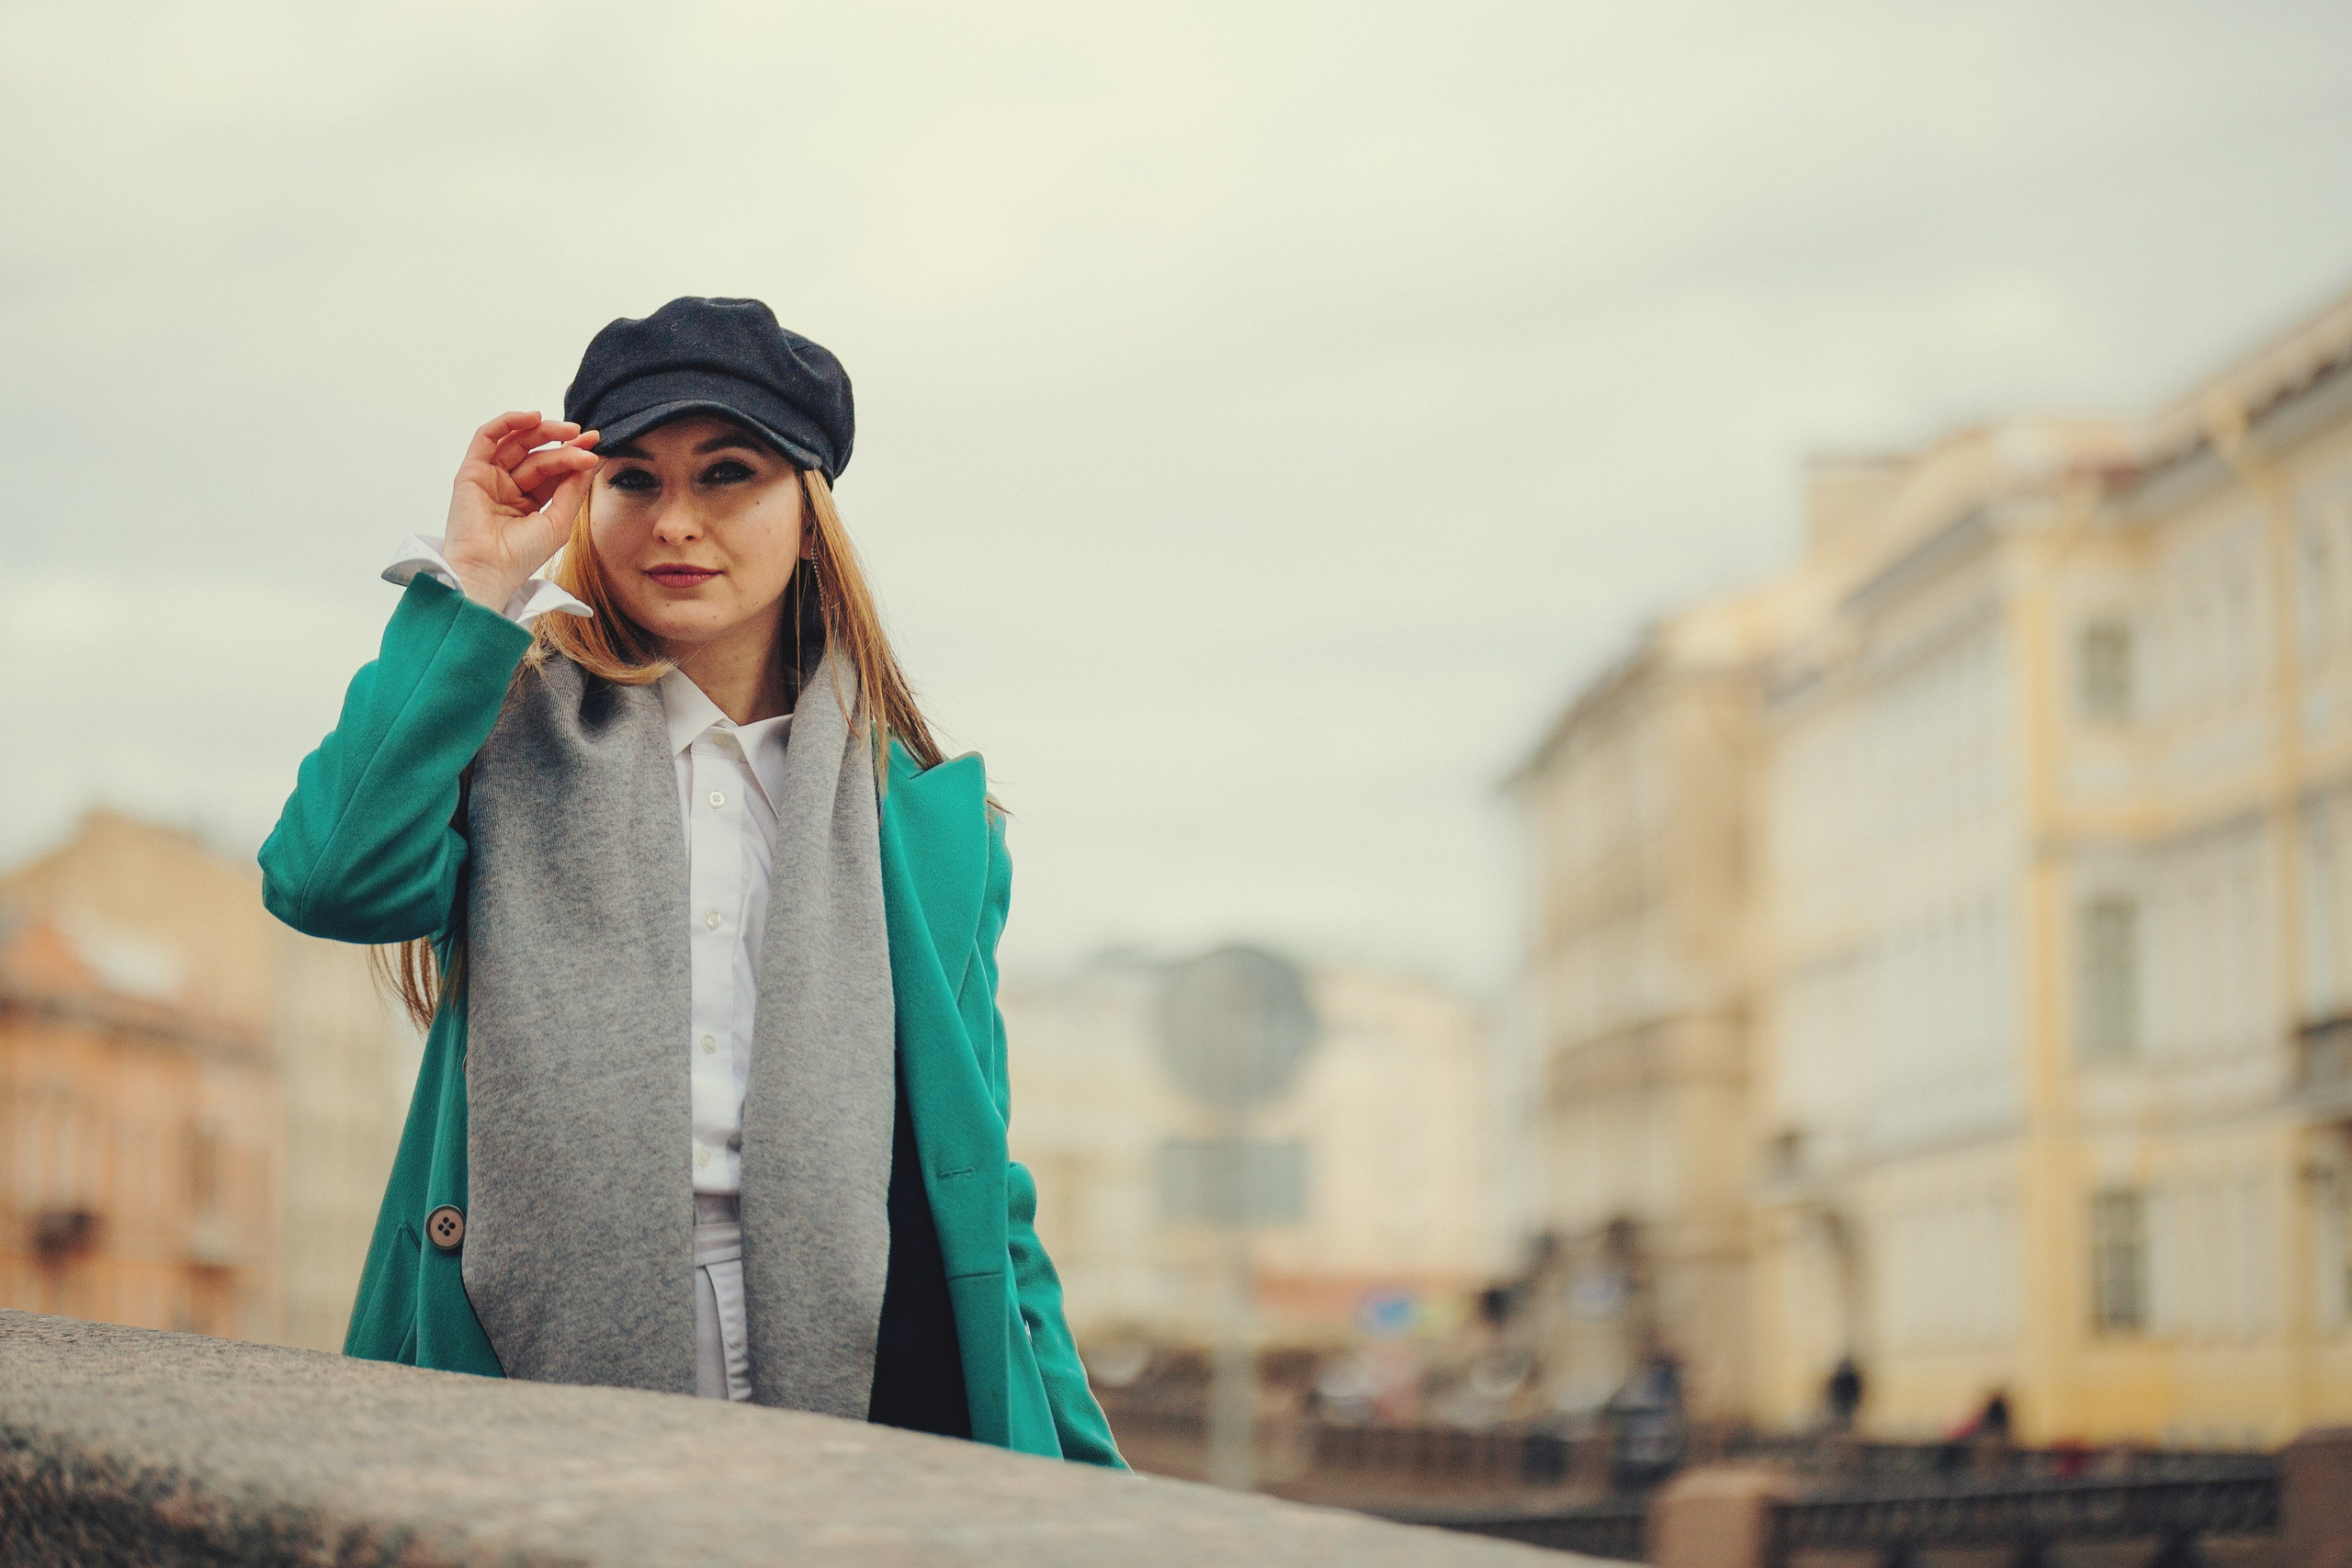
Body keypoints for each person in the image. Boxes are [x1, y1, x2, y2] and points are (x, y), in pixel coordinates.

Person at [261, 297, 1123, 1467]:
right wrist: (472, 584)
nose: (676, 523)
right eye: (633, 479)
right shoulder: (494, 730)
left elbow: (982, 1189)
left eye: (728, 475)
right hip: (519, 1385)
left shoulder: (926, 819)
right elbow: (326, 881)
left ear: (810, 518)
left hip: (856, 1386)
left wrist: (1090, 1474)